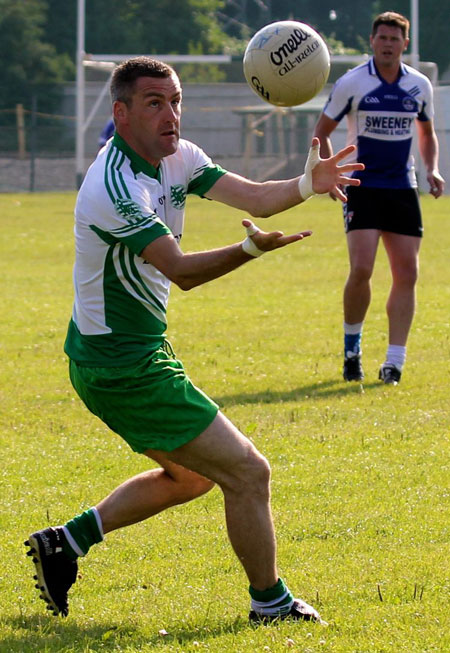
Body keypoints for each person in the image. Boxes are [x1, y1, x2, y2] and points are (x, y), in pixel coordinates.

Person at [25, 57, 363, 624]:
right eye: (155, 103)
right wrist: (252, 250)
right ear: (121, 113)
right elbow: (179, 269)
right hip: (121, 367)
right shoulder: (113, 185)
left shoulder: (178, 156)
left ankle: (66, 543)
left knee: (196, 475)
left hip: (125, 354)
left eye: (176, 101)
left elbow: (254, 197)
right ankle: (270, 603)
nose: (171, 114)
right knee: (249, 472)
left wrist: (309, 183)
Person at [313, 11, 445, 385]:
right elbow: (322, 131)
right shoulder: (352, 83)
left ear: (405, 44)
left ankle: (394, 362)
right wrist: (329, 171)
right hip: (362, 188)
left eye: (394, 39)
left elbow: (427, 134)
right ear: (372, 41)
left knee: (408, 273)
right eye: (382, 38)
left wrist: (431, 168)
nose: (388, 44)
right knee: (363, 269)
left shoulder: (419, 85)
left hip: (402, 189)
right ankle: (352, 349)